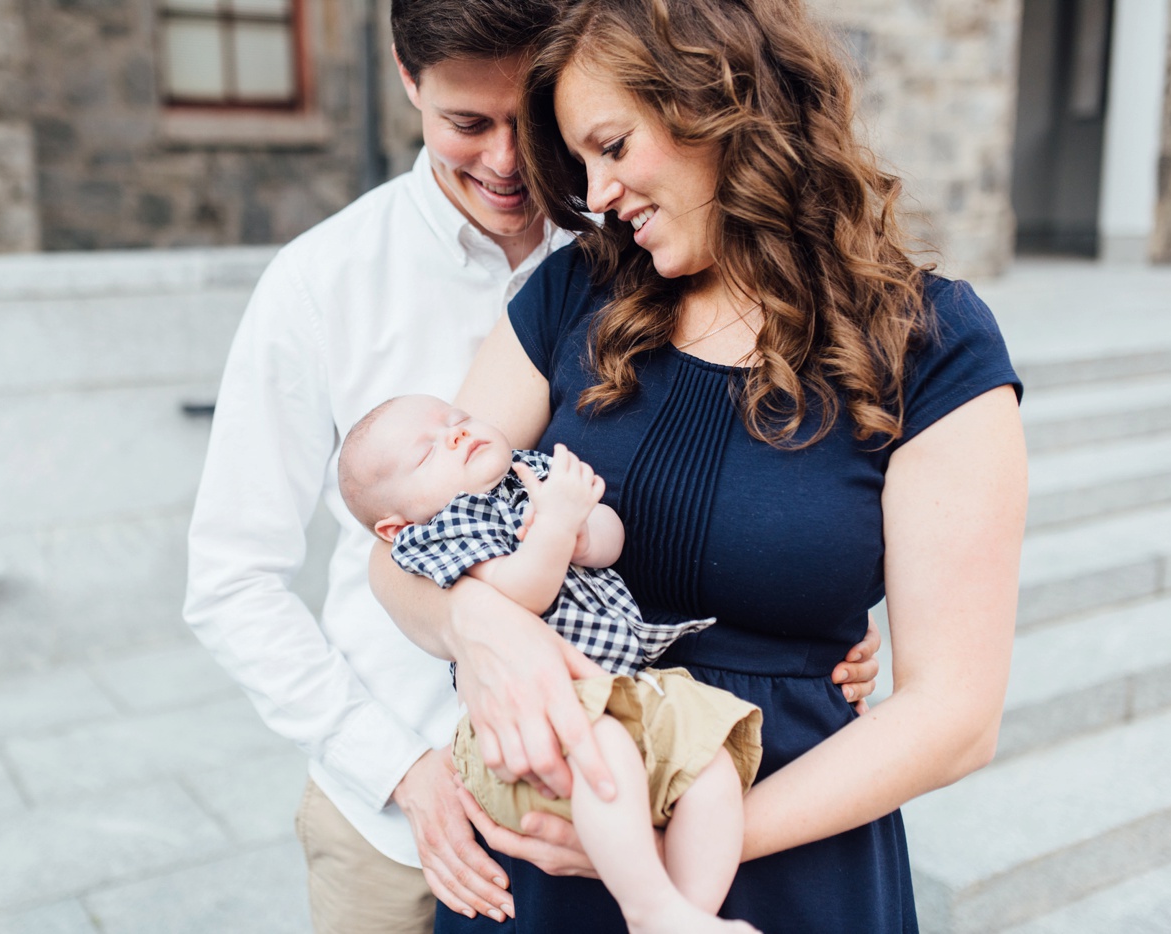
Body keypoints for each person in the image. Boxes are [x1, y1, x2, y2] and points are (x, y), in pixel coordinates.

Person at [184, 1, 881, 931]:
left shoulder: (630, 239)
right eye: (467, 125)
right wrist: (402, 771)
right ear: (406, 78)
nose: (510, 164)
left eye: (533, 125)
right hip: (400, 816)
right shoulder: (322, 284)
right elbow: (232, 579)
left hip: (607, 786)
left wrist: (808, 611)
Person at [368, 0, 1027, 931]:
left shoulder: (932, 345)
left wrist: (668, 847)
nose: (595, 196)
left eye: (613, 146)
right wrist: (476, 619)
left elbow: (956, 715)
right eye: (582, 163)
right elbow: (397, 547)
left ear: (720, 104)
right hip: (557, 839)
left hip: (783, 850)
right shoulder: (573, 294)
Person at [338, 393, 764, 933]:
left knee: (709, 759)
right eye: (426, 454)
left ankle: (688, 914)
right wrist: (558, 525)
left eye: (457, 418)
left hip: (619, 687)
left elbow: (611, 538)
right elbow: (521, 592)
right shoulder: (437, 533)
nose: (455, 434)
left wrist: (586, 532)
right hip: (526, 716)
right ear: (393, 526)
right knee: (602, 750)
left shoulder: (530, 471)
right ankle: (651, 910)